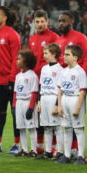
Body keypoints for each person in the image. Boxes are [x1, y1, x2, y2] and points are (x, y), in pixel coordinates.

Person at [0, 6, 21, 154]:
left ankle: (17, 144)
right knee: (0, 112)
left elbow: (16, 59)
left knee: (15, 112)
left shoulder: (12, 35)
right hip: (0, 82)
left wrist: (12, 80)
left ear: (5, 17)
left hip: (12, 81)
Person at [28, 10, 58, 154]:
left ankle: (53, 147)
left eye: (42, 21)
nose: (40, 24)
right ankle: (40, 146)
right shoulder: (32, 38)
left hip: (49, 82)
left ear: (47, 22)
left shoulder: (54, 37)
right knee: (39, 116)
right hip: (35, 80)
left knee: (52, 118)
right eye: (37, 22)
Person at [56, 45, 87, 165]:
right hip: (65, 99)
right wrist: (59, 105)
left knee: (78, 129)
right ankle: (67, 155)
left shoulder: (80, 72)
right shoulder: (63, 71)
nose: (64, 56)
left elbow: (82, 91)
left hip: (74, 99)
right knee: (67, 129)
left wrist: (78, 107)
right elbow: (59, 89)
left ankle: (81, 156)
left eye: (67, 54)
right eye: (64, 54)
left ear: (75, 57)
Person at [36, 43, 63, 160]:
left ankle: (60, 151)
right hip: (44, 98)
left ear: (54, 54)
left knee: (57, 127)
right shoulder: (44, 68)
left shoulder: (60, 69)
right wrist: (39, 102)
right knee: (46, 127)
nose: (44, 55)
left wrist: (57, 104)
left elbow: (60, 88)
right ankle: (47, 152)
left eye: (46, 53)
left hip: (53, 97)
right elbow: (41, 86)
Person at [12, 50, 39, 158]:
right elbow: (15, 92)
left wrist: (31, 108)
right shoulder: (18, 76)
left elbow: (34, 93)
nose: (17, 61)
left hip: (27, 103)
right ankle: (24, 149)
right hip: (19, 102)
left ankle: (33, 149)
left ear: (26, 62)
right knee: (21, 127)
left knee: (31, 128)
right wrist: (14, 106)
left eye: (19, 59)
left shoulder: (32, 76)